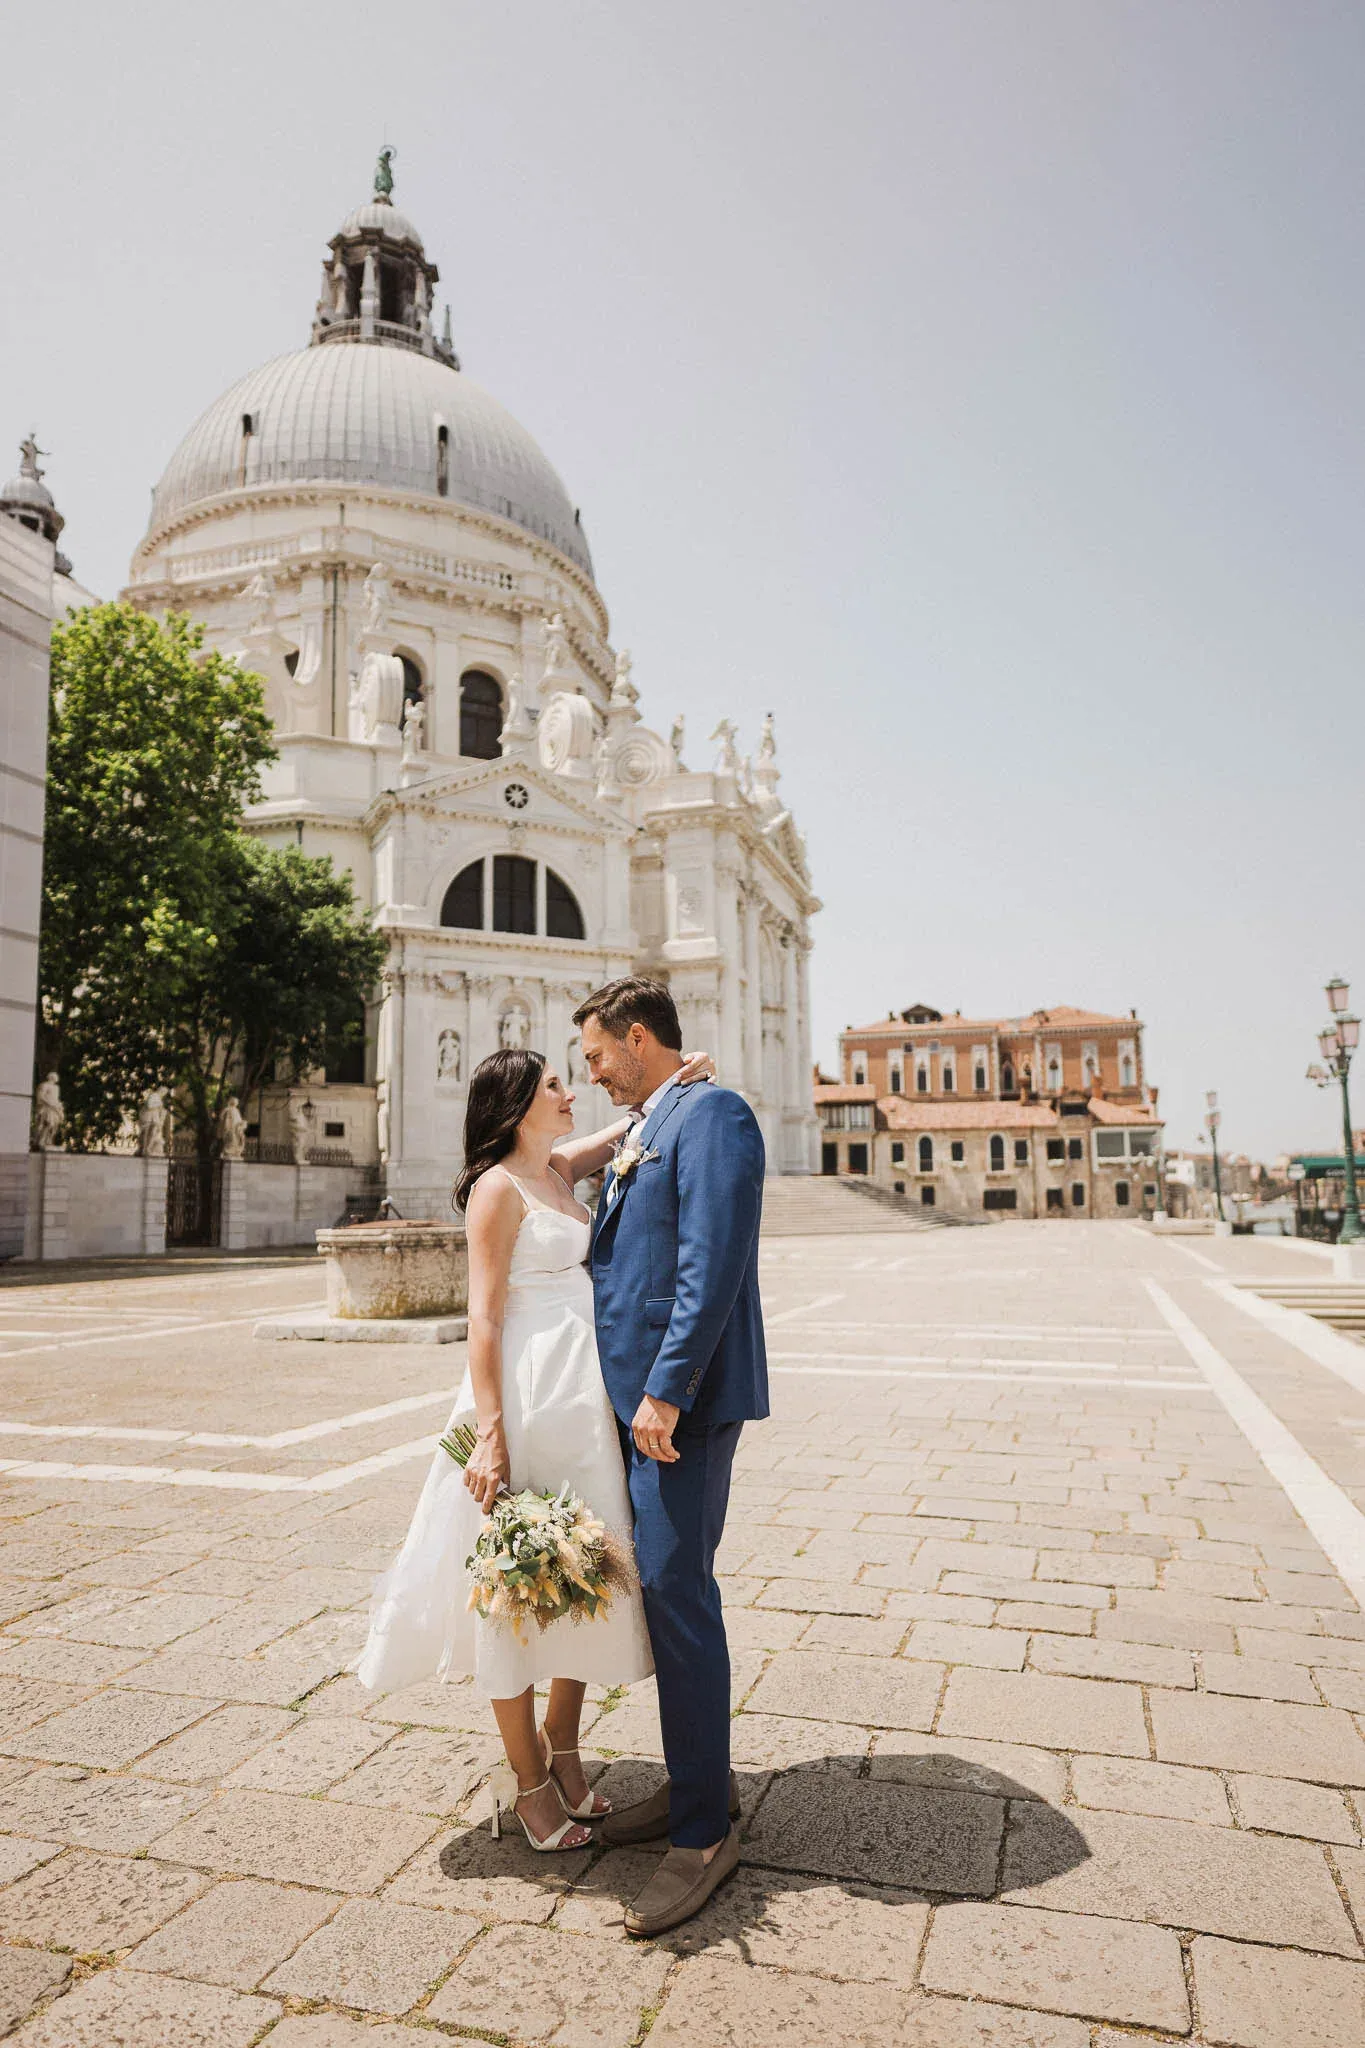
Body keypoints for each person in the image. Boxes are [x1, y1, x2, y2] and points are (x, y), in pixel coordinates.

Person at [356, 1041, 713, 1854]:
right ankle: (526, 1784)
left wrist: (675, 1080)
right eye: (555, 1083)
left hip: (580, 1401)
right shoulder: (496, 1188)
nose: (571, 1089)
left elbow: (632, 1126)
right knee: (514, 1590)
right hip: (521, 1394)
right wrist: (489, 1437)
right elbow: (482, 1318)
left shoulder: (556, 1169)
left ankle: (566, 1750)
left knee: (579, 1568)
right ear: (517, 1103)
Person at [573, 975, 766, 1937]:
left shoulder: (713, 1114)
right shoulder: (659, 1115)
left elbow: (712, 1259)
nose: (595, 1074)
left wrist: (667, 1388)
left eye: (599, 1056)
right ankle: (706, 1781)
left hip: (670, 1402)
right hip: (632, 1397)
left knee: (677, 1590)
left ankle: (701, 1837)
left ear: (637, 1037)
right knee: (662, 1588)